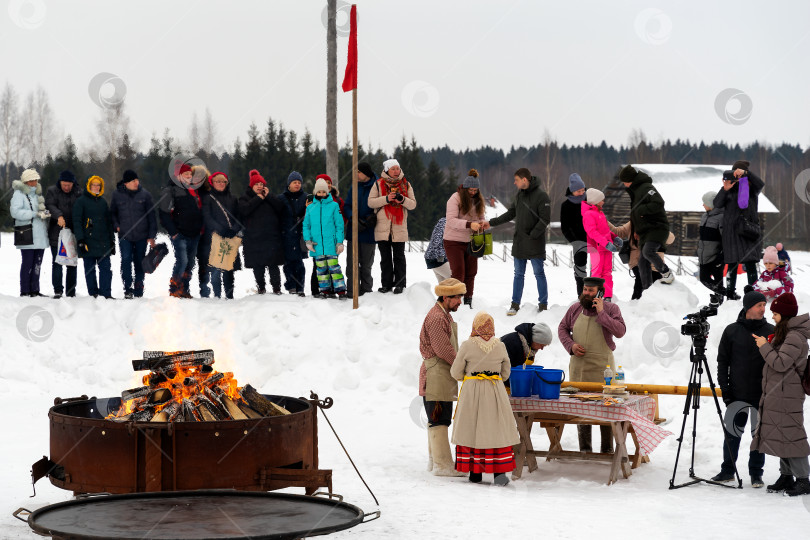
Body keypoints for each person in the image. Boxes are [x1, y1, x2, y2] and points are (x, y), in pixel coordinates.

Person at [557, 276, 626, 452]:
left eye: (591, 291)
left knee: (606, 406)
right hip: (579, 367)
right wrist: (570, 345)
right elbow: (562, 328)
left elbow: (620, 331)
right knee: (582, 408)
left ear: (600, 292)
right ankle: (585, 449)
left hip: (604, 368)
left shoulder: (612, 309)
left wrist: (602, 313)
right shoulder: (574, 309)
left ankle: (607, 449)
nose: (587, 293)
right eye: (585, 290)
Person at [451, 311, 520, 485]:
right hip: (495, 390)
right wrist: (494, 378)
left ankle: (475, 472)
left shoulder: (467, 345)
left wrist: (469, 378)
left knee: (473, 428)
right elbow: (506, 373)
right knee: (497, 429)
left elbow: (455, 372)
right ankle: (499, 473)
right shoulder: (500, 346)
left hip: (472, 391)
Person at [711, 291, 772, 487]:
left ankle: (756, 474)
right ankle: (727, 470)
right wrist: (725, 390)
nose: (763, 308)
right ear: (748, 307)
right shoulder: (731, 331)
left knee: (758, 436)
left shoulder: (771, 331)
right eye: (759, 305)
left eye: (764, 305)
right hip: (736, 393)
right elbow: (722, 362)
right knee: (732, 435)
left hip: (761, 394)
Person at [751, 293, 810, 496]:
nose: (772, 316)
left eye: (775, 313)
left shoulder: (795, 336)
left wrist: (764, 346)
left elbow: (780, 363)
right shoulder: (786, 333)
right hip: (780, 394)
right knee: (781, 433)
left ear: (784, 315)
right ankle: (786, 476)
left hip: (788, 394)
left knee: (792, 435)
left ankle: (803, 480)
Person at [484, 168, 551, 315]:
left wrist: (532, 235)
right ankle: (515, 305)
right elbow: (510, 213)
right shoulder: (519, 195)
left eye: (516, 180)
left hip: (534, 242)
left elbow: (545, 219)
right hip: (520, 242)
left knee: (539, 273)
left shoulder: (542, 196)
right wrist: (492, 222)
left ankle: (543, 305)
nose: (514, 183)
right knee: (518, 274)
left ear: (524, 180)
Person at [418, 278, 467, 477]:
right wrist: (461, 366)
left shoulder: (443, 314)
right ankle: (443, 465)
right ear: (446, 297)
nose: (460, 303)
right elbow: (443, 349)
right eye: (457, 298)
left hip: (441, 373)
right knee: (439, 419)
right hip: (436, 373)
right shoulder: (438, 318)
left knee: (437, 418)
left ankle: (435, 461)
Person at [713, 160, 764, 300]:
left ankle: (753, 293)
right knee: (732, 264)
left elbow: (761, 184)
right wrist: (725, 189)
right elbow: (716, 204)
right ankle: (730, 293)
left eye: (740, 173)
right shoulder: (729, 188)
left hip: (748, 230)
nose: (738, 176)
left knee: (751, 263)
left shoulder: (752, 187)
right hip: (731, 232)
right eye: (736, 172)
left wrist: (747, 174)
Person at [618, 165, 674, 289]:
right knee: (642, 263)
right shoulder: (635, 190)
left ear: (629, 180)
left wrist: (640, 210)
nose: (624, 185)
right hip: (645, 232)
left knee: (648, 251)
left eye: (624, 182)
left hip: (657, 227)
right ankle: (647, 290)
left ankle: (666, 273)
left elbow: (659, 203)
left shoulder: (646, 188)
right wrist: (636, 230)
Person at [368, 158, 416, 294]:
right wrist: (387, 199)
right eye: (393, 169)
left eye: (397, 168)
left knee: (399, 257)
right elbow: (370, 202)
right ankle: (386, 284)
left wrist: (402, 200)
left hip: (399, 227)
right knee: (385, 258)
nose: (396, 171)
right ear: (386, 170)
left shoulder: (406, 184)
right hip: (382, 228)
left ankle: (400, 284)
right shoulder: (378, 184)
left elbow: (413, 204)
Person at [443, 169, 487, 308]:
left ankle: (468, 299)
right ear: (465, 188)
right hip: (453, 241)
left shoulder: (478, 200)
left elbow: (480, 216)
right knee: (459, 272)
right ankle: (455, 299)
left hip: (472, 241)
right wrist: (469, 224)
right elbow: (450, 220)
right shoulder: (455, 198)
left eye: (475, 190)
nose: (473, 192)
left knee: (471, 272)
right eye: (471, 190)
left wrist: (482, 223)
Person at [159, 162, 204, 298]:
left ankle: (184, 288)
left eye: (190, 174)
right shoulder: (170, 190)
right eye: (186, 174)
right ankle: (175, 288)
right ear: (178, 176)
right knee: (182, 261)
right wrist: (173, 232)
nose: (189, 177)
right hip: (180, 234)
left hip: (194, 233)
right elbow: (163, 213)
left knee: (190, 263)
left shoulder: (193, 190)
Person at [110, 170, 157, 299]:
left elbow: (152, 217)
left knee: (139, 261)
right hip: (125, 235)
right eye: (133, 181)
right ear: (126, 183)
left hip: (142, 235)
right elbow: (112, 213)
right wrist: (116, 226)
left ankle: (139, 286)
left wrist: (152, 235)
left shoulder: (145, 195)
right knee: (125, 260)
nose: (136, 182)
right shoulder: (117, 195)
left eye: (137, 180)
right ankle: (128, 288)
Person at [239, 169, 286, 295]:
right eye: (257, 184)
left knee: (273, 264)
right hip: (254, 237)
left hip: (271, 236)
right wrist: (258, 198)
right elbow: (244, 210)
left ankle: (277, 288)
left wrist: (268, 196)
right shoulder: (244, 198)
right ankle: (261, 287)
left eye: (262, 184)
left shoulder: (270, 198)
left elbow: (281, 208)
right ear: (251, 186)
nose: (260, 186)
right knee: (257, 264)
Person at [302, 177, 347, 299]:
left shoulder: (334, 205)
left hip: (331, 245)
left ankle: (341, 290)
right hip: (317, 246)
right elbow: (306, 225)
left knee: (334, 268)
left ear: (327, 192)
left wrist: (339, 242)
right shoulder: (310, 207)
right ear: (315, 192)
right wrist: (308, 241)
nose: (321, 194)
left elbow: (339, 225)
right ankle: (325, 291)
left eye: (324, 191)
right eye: (319, 191)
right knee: (321, 270)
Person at [73, 175, 115, 299]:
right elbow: (77, 221)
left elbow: (109, 223)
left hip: (103, 242)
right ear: (88, 186)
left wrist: (111, 240)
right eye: (94, 185)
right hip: (87, 242)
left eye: (99, 185)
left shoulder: (103, 202)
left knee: (106, 269)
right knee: (90, 270)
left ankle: (106, 293)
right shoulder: (81, 201)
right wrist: (80, 240)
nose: (97, 187)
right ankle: (94, 294)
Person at [10, 169, 50, 297]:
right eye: (32, 180)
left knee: (37, 263)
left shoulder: (37, 195)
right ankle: (25, 291)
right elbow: (15, 212)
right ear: (26, 181)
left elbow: (39, 212)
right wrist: (34, 214)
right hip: (27, 235)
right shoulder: (18, 194)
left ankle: (35, 290)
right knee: (27, 263)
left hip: (40, 235)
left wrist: (45, 213)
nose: (34, 182)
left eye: (36, 180)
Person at [203, 172, 242, 299]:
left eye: (223, 182)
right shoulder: (208, 198)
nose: (221, 184)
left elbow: (239, 216)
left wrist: (234, 230)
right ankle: (217, 296)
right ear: (212, 183)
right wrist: (220, 230)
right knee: (215, 268)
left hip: (231, 237)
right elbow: (207, 217)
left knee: (229, 268)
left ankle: (229, 295)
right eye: (218, 181)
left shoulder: (233, 198)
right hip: (215, 237)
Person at [609, 220, 670, 300]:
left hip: (654, 263)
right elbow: (618, 232)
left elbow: (670, 238)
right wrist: (603, 220)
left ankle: (640, 305)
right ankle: (635, 304)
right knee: (641, 282)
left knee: (653, 288)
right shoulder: (633, 223)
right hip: (636, 260)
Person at [45, 170, 81, 298]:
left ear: (73, 183)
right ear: (60, 182)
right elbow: (49, 204)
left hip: (73, 233)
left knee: (72, 263)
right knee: (57, 262)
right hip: (56, 233)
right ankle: (58, 290)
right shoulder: (52, 191)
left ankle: (71, 291)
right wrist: (58, 216)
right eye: (64, 184)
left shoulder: (78, 192)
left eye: (69, 185)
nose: (66, 187)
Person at [344, 162, 378, 296]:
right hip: (354, 232)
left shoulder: (377, 186)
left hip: (369, 233)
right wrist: (353, 218)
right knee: (352, 265)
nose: (356, 175)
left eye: (358, 172)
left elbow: (380, 206)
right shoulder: (354, 186)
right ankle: (352, 291)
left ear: (366, 173)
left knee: (366, 266)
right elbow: (347, 205)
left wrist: (371, 219)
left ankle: (366, 292)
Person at [581, 188, 621, 301]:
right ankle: (594, 297)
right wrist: (606, 243)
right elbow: (592, 232)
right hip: (597, 249)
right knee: (596, 274)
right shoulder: (588, 214)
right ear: (595, 201)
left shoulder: (600, 213)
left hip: (606, 248)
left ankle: (607, 296)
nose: (603, 202)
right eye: (601, 200)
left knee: (607, 273)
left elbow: (605, 230)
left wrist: (614, 237)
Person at [500, 322, 553, 390]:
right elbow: (504, 370)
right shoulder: (512, 343)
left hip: (513, 386)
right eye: (542, 345)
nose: (542, 349)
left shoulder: (529, 348)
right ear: (535, 340)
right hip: (500, 384)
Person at [280, 171, 308, 296]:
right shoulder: (281, 198)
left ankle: (300, 288)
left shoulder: (307, 197)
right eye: (294, 182)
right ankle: (291, 286)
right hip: (286, 235)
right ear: (289, 184)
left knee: (299, 264)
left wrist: (308, 208)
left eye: (299, 182)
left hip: (300, 236)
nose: (297, 184)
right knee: (288, 264)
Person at [561, 173, 588, 297]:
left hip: (593, 238)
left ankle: (597, 295)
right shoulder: (566, 206)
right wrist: (574, 240)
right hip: (578, 241)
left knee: (598, 268)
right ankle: (582, 296)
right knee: (580, 269)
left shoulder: (589, 201)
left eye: (583, 190)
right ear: (572, 191)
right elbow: (565, 227)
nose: (582, 193)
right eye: (578, 191)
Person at [697, 191, 725, 297]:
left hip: (715, 257)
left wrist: (721, 257)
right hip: (704, 256)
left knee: (718, 281)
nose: (703, 205)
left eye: (704, 202)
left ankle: (720, 301)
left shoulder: (722, 217)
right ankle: (728, 294)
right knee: (704, 279)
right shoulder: (704, 216)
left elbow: (725, 239)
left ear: (710, 203)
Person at [193, 166, 213, 298]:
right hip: (191, 232)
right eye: (195, 176)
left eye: (201, 177)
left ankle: (204, 287)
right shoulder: (188, 192)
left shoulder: (209, 193)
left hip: (206, 233)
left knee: (204, 261)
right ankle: (183, 288)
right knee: (187, 261)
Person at [425, 218, 451, 282]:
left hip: (440, 257)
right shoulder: (444, 222)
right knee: (454, 279)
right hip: (437, 258)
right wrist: (440, 255)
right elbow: (436, 239)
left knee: (444, 285)